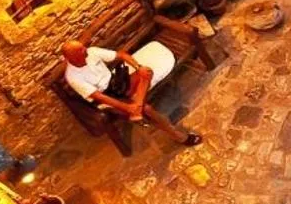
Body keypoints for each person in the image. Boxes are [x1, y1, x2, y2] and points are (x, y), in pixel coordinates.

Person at [60, 40, 201, 145]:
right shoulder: (73, 77)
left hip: (116, 83)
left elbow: (121, 55)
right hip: (106, 97)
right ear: (71, 58)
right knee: (148, 110)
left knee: (146, 72)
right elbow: (99, 97)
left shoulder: (91, 52)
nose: (85, 50)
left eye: (83, 48)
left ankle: (137, 108)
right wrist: (127, 107)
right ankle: (179, 136)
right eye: (81, 51)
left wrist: (137, 67)